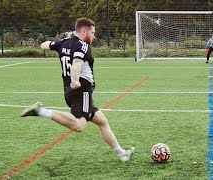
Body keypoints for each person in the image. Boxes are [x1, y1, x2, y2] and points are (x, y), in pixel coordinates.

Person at [20, 17, 134, 162]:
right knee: (79, 124)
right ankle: (41, 111)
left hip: (69, 92)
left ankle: (121, 153)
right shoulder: (83, 45)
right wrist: (75, 81)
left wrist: (57, 44)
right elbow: (76, 64)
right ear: (84, 31)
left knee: (102, 122)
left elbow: (45, 45)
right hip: (82, 90)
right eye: (92, 33)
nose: (93, 36)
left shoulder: (64, 43)